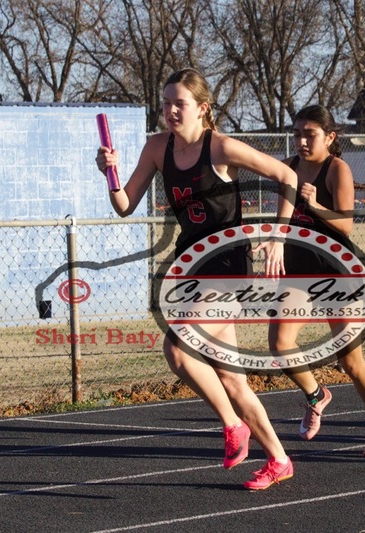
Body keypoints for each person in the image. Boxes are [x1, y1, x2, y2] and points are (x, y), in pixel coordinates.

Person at [96, 68, 298, 490]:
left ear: (202, 109)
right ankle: (278, 458)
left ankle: (232, 426)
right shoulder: (157, 148)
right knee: (231, 379)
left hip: (228, 269)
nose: (169, 110)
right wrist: (108, 174)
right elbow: (124, 204)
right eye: (166, 102)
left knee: (180, 351)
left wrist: (279, 236)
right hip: (190, 268)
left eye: (179, 103)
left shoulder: (221, 147)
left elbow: (288, 177)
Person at [268, 104, 365, 457]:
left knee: (351, 362)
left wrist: (315, 205)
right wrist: (273, 242)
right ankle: (316, 395)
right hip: (299, 271)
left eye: (310, 134)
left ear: (329, 137)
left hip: (337, 273)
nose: (302, 141)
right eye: (297, 134)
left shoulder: (337, 169)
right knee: (280, 344)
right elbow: (282, 217)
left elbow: (345, 225)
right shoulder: (289, 168)